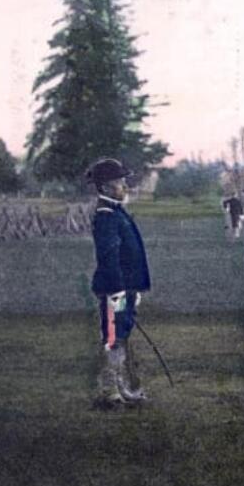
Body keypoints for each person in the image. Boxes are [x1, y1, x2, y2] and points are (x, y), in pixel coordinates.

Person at [88, 158, 152, 408]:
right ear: (104, 188)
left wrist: (132, 288)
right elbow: (108, 257)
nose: (125, 186)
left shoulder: (116, 211)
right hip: (115, 289)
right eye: (119, 182)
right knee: (113, 337)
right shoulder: (106, 215)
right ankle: (108, 388)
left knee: (122, 334)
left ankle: (120, 386)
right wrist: (117, 291)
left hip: (126, 287)